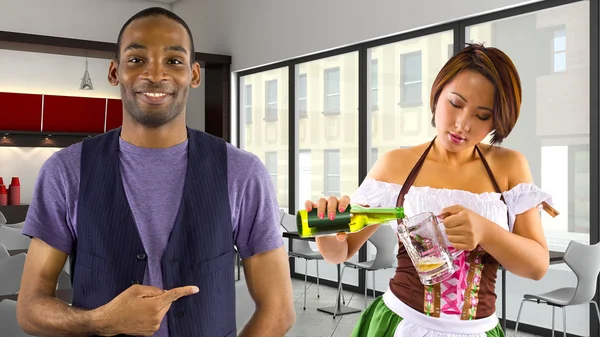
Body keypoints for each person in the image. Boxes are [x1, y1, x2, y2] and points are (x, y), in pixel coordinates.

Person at [16, 7, 295, 337]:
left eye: (173, 61)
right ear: (114, 71)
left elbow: (279, 311)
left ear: (193, 74)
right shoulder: (66, 172)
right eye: (137, 60)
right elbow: (30, 308)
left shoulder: (242, 173)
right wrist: (99, 321)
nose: (155, 74)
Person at [306, 44, 557, 337]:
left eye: (482, 116)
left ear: (497, 120)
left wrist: (485, 231)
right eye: (455, 103)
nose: (463, 124)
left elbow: (537, 267)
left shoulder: (510, 165)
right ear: (437, 94)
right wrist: (325, 231)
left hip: (480, 330)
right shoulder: (396, 165)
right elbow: (343, 250)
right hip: (401, 325)